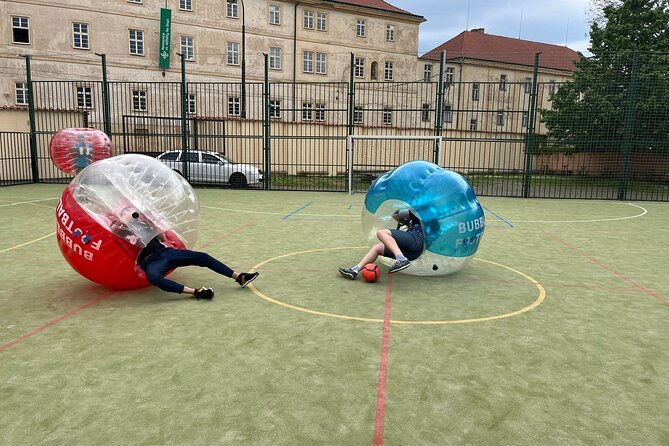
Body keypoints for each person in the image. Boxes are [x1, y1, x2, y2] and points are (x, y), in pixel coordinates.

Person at [110, 206, 258, 300]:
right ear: (123, 214)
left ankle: (239, 277)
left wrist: (150, 222)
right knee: (154, 278)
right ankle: (196, 292)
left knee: (202, 257)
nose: (134, 212)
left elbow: (162, 238)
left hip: (165, 252)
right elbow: (115, 227)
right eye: (129, 210)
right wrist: (126, 217)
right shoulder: (119, 228)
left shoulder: (143, 224)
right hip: (150, 260)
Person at [338, 208, 424, 279]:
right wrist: (407, 222)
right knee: (377, 248)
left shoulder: (426, 211)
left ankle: (401, 259)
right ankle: (355, 270)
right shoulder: (416, 212)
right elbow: (396, 215)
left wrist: (408, 216)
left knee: (381, 233)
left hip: (416, 239)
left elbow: (398, 214)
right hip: (413, 253)